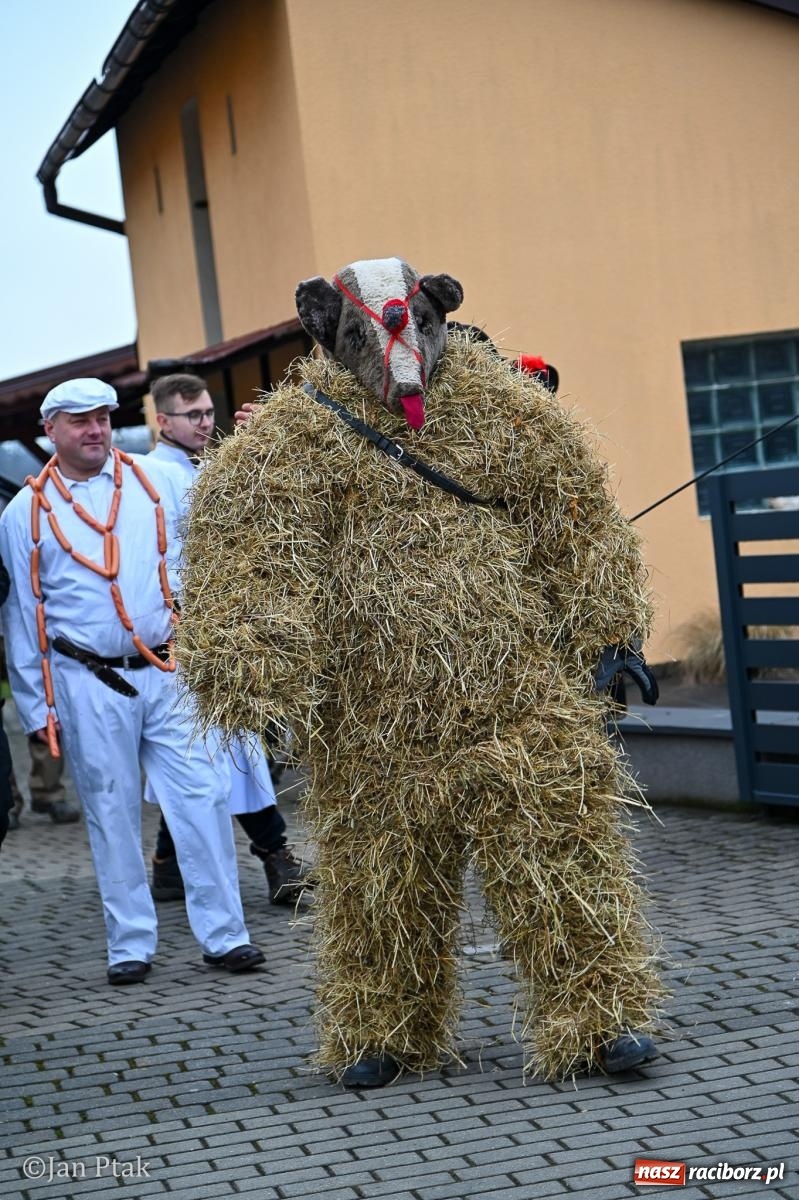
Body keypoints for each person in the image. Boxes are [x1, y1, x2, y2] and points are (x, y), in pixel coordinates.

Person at [0, 378, 264, 983]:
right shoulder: (25, 513)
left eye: (100, 418)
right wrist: (38, 707)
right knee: (111, 809)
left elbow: (228, 520)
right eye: (78, 421)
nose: (93, 430)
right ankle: (130, 945)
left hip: (171, 669)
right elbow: (22, 614)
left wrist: (252, 449)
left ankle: (226, 936)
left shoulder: (161, 480)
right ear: (51, 431)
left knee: (202, 797)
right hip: (87, 681)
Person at [147, 372, 310, 907]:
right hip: (189, 635)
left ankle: (169, 865)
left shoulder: (207, 464)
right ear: (162, 420)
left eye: (209, 413)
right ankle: (276, 857)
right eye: (192, 415)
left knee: (216, 752)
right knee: (228, 750)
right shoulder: (152, 476)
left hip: (229, 625)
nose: (204, 423)